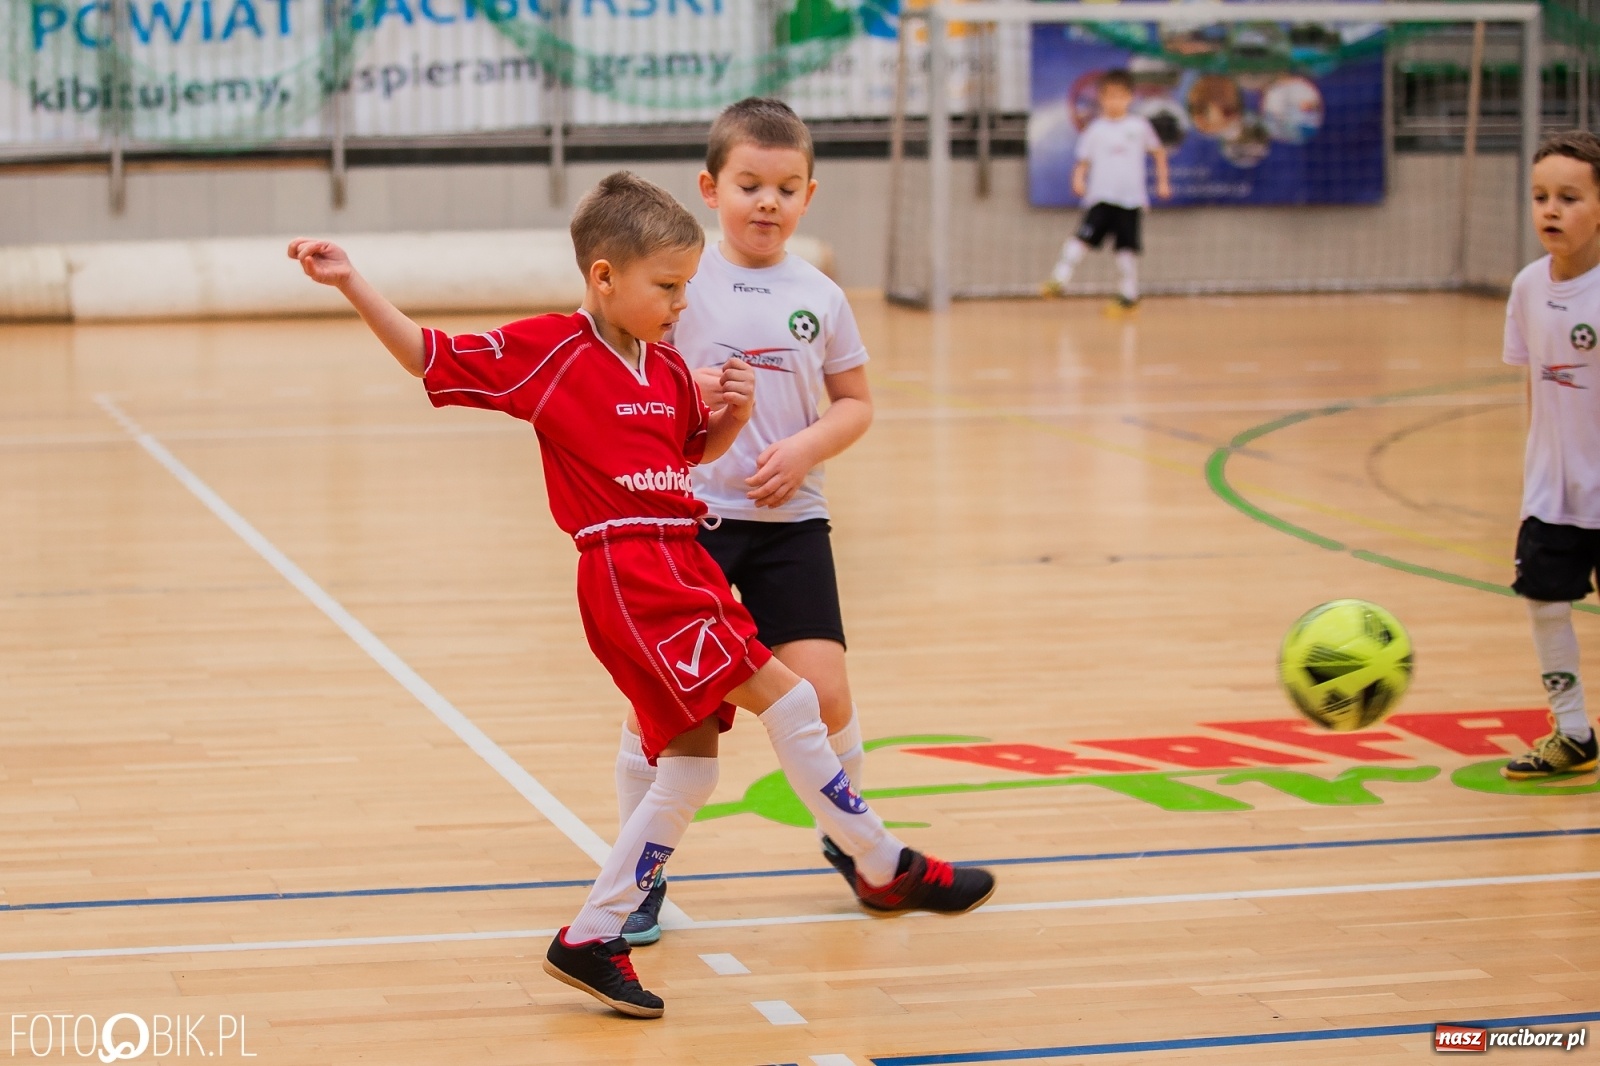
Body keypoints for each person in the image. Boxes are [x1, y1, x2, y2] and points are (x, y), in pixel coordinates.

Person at [287, 172, 996, 1019]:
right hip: (633, 574)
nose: (681, 302)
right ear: (603, 278)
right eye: (667, 287)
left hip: (680, 560)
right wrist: (352, 280)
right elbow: (426, 355)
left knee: (691, 768)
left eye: (688, 286)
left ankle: (594, 933)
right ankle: (882, 865)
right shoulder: (555, 351)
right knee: (794, 700)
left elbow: (686, 457)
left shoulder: (663, 365)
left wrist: (730, 415)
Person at [615, 97, 876, 947]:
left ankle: (853, 840)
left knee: (824, 693)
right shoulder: (681, 287)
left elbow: (856, 404)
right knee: (663, 707)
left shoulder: (823, 296)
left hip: (791, 524)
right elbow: (633, 382)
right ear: (710, 187)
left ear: (809, 195)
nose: (767, 201)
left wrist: (802, 450)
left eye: (786, 186)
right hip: (686, 526)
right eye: (749, 183)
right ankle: (641, 873)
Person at [1502, 129, 1600, 780]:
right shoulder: (1527, 287)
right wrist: (1535, 473)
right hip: (1551, 490)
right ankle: (1572, 731)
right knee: (1545, 600)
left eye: (1568, 197)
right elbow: (1532, 387)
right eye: (1540, 196)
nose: (1550, 210)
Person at [1043, 69, 1171, 311]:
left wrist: (1163, 182)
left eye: (1120, 96)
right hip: (1101, 197)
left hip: (1130, 199)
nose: (1114, 101)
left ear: (1130, 97)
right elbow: (1083, 161)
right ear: (1101, 99)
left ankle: (1129, 294)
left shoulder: (1139, 126)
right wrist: (1078, 179)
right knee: (1082, 238)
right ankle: (1059, 279)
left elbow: (1158, 152)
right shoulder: (1096, 130)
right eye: (1109, 96)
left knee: (1126, 247)